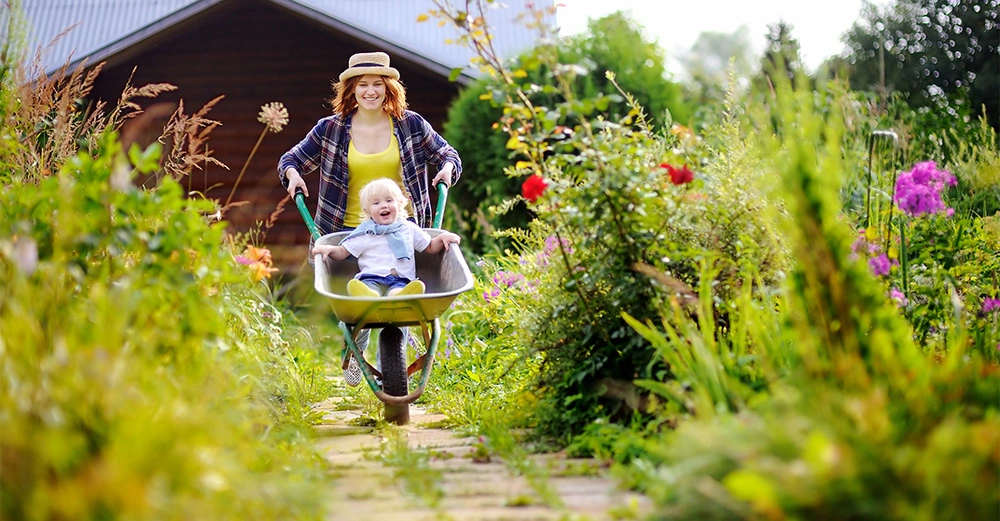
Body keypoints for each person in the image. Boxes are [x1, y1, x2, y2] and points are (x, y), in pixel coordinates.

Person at [278, 51, 462, 386]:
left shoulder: (410, 124)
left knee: (402, 294)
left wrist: (447, 168)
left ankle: (394, 360)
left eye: (377, 83)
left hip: (400, 227)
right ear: (351, 90)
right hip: (346, 232)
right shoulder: (330, 129)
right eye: (363, 84)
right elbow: (291, 158)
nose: (370, 91)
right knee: (358, 298)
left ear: (389, 87)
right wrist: (293, 175)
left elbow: (447, 153)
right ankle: (356, 346)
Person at [313, 178, 461, 297]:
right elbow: (343, 251)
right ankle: (368, 296)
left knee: (397, 291)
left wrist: (442, 238)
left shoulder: (408, 228)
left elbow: (429, 246)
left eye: (389, 200)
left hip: (401, 279)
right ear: (368, 211)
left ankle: (401, 296)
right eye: (376, 203)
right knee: (370, 288)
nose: (383, 206)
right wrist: (329, 249)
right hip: (371, 277)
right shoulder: (366, 232)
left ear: (400, 204)